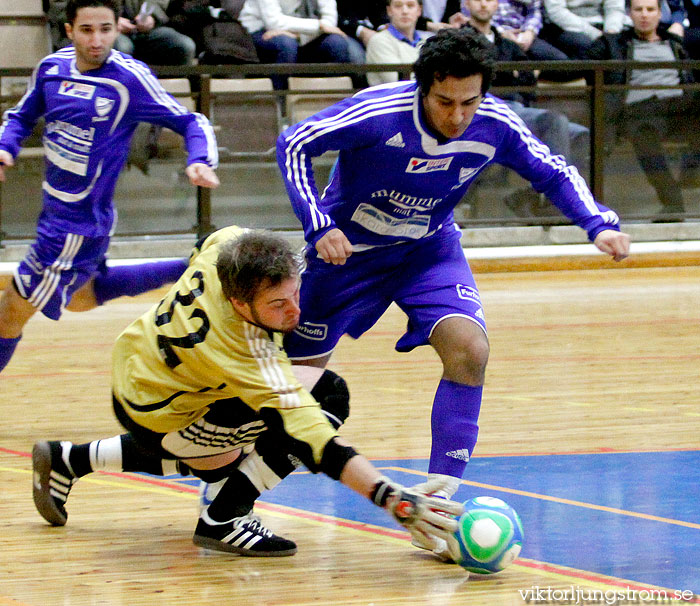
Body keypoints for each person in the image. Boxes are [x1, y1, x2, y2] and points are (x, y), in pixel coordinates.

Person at [276, 27, 630, 559]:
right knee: (292, 387)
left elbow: (553, 171)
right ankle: (228, 492)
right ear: (421, 88)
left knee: (471, 349)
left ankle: (440, 502)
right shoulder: (376, 112)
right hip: (346, 255)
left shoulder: (496, 123)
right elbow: (293, 143)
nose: (458, 115)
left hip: (427, 251)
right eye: (445, 101)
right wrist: (318, 223)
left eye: (470, 101)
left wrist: (596, 223)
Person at [31, 225, 464, 559]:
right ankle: (224, 518)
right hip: (160, 412)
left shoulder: (230, 245)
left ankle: (69, 459)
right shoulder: (248, 354)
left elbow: (205, 243)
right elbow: (317, 443)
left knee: (230, 453)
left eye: (295, 292)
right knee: (324, 400)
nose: (295, 310)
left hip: (137, 373)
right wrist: (392, 499)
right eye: (278, 305)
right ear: (240, 304)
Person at [0, 0, 219, 375]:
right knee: (81, 298)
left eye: (106, 29)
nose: (98, 40)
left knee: (8, 316)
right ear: (69, 31)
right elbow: (20, 116)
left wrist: (200, 158)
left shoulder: (129, 78)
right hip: (57, 211)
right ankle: (190, 266)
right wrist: (5, 147)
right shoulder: (51, 69)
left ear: (118, 27)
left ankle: (190, 266)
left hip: (76, 225)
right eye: (87, 30)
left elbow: (191, 120)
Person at [464, 0, 590, 217]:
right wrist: (508, 75)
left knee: (580, 135)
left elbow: (527, 79)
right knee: (553, 120)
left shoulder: (508, 44)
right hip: (486, 110)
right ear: (466, 3)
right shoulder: (462, 40)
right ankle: (557, 202)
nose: (483, 4)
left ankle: (529, 196)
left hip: (519, 109)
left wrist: (510, 75)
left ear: (498, 5)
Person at [587, 0, 700, 220]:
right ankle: (672, 202)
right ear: (629, 14)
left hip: (678, 106)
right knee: (642, 133)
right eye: (639, 10)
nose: (645, 15)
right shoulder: (614, 43)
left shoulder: (675, 44)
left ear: (660, 14)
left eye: (650, 10)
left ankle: (692, 169)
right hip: (640, 109)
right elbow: (583, 63)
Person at [239, 0, 351, 90]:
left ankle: (332, 107)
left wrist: (300, 36)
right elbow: (273, 21)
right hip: (258, 30)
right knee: (286, 45)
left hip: (302, 32)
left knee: (337, 43)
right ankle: (280, 106)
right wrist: (318, 26)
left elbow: (330, 22)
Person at [365, 0, 432, 86]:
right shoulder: (379, 41)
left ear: (419, 10)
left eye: (410, 5)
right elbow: (397, 82)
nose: (405, 11)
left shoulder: (427, 42)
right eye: (398, 6)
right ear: (389, 10)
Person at [112, 0, 197, 66]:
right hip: (111, 29)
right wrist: (112, 20)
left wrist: (152, 15)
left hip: (150, 28)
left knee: (184, 46)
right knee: (122, 48)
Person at [540, 0, 626, 58]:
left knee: (623, 41)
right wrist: (596, 35)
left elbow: (615, 8)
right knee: (590, 44)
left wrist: (611, 32)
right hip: (565, 26)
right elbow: (556, 11)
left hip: (602, 24)